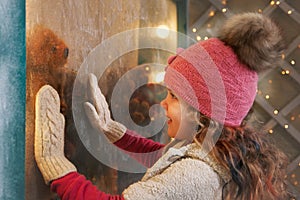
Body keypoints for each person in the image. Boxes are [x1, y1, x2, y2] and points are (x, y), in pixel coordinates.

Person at [34, 13, 290, 199]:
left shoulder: (197, 175)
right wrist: (114, 131)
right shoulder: (214, 152)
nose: (163, 103)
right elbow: (164, 158)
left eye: (174, 97)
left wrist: (55, 165)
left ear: (203, 113)